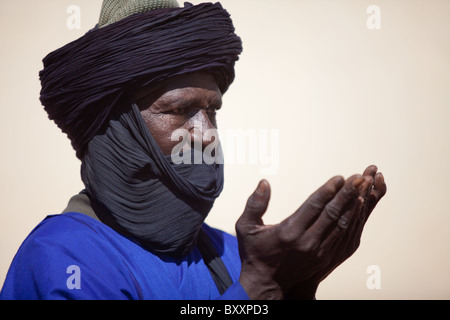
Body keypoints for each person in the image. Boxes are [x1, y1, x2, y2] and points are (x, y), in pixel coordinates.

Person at [0, 0, 386, 300]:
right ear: (115, 127)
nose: (205, 135)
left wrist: (297, 285)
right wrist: (256, 291)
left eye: (212, 111)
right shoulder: (66, 259)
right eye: (180, 111)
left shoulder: (234, 255)